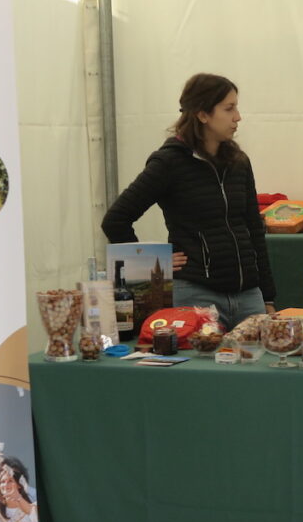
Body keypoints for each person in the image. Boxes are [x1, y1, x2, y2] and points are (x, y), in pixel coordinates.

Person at [101, 73, 276, 330]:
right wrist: (152, 265)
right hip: (196, 297)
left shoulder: (239, 162)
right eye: (229, 109)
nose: (237, 117)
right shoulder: (168, 163)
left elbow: (254, 229)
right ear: (202, 115)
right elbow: (115, 220)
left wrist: (268, 296)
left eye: (236, 107)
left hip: (249, 296)